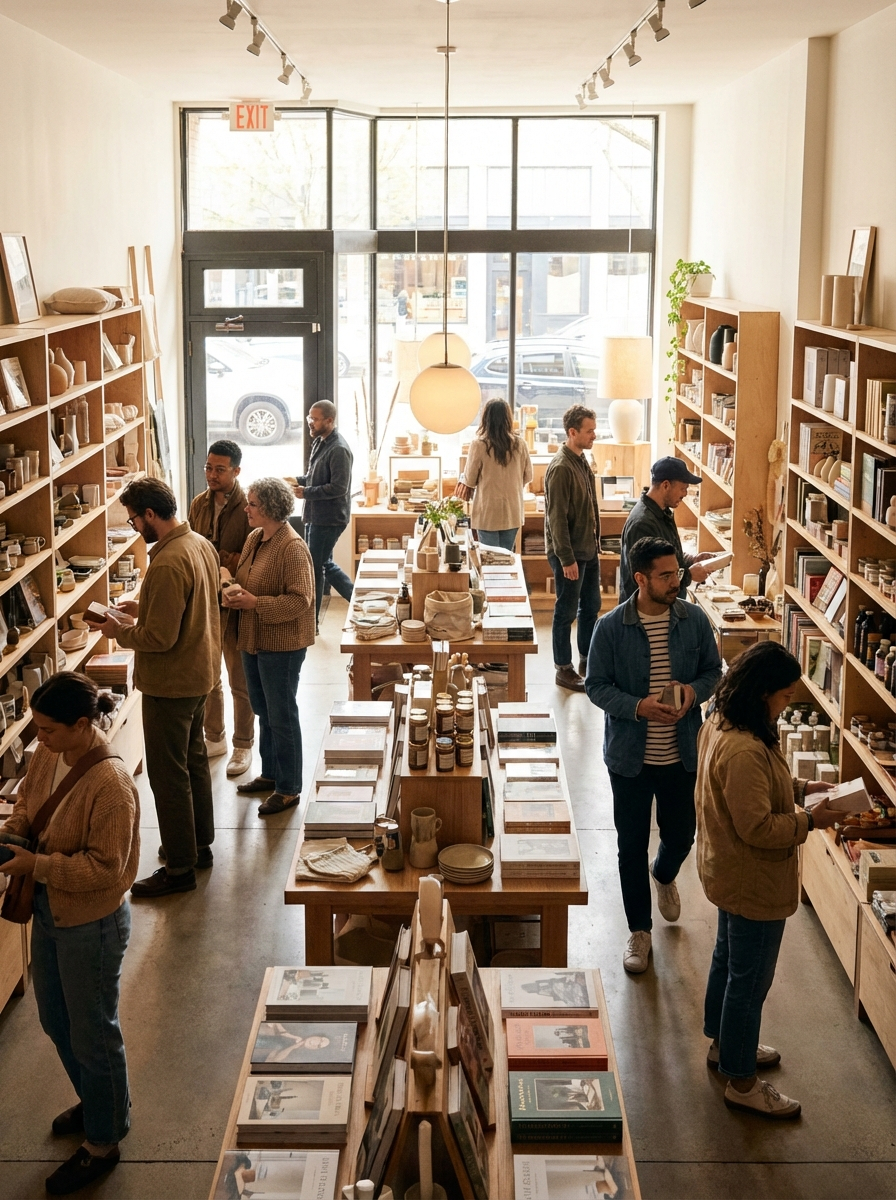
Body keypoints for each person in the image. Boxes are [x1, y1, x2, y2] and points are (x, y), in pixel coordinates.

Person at [0, 673, 139, 1195]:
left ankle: (104, 1141)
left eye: (49, 730)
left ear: (82, 726)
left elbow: (109, 870)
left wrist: (37, 864)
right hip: (51, 912)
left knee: (94, 1031)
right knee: (57, 1020)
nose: (40, 740)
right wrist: (14, 833)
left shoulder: (111, 786)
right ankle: (100, 1099)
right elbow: (27, 805)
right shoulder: (46, 753)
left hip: (93, 923)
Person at [696, 641, 838, 1118]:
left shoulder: (726, 721)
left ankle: (725, 1045)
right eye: (784, 696)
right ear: (762, 693)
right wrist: (811, 821)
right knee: (749, 980)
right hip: (752, 879)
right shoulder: (744, 749)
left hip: (727, 871)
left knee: (728, 960)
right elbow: (757, 826)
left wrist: (802, 789)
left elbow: (754, 791)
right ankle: (741, 1080)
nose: (787, 704)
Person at [585, 537, 722, 974]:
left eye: (677, 573)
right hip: (629, 758)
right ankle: (639, 932)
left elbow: (712, 672)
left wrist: (692, 692)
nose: (675, 582)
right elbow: (595, 686)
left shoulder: (695, 620)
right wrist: (638, 706)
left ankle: (662, 873)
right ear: (640, 578)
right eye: (665, 575)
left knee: (682, 834)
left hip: (681, 753)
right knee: (629, 844)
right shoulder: (610, 628)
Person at [92, 478, 221, 898]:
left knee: (167, 776)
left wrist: (119, 630)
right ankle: (199, 846)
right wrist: (140, 609)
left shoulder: (166, 561)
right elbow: (187, 608)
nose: (133, 527)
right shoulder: (197, 544)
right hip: (200, 673)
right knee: (193, 761)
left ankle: (180, 868)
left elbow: (159, 639)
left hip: (172, 683)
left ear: (150, 514)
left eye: (133, 519)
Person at [224, 477, 315, 816]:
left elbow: (300, 601)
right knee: (263, 709)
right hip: (253, 639)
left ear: (272, 508)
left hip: (282, 645)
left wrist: (254, 603)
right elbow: (246, 582)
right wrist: (233, 592)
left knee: (282, 714)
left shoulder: (292, 547)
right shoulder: (254, 538)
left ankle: (289, 787)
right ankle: (271, 773)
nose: (246, 508)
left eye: (253, 504)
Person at [187, 438, 254, 777]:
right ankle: (215, 737)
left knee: (239, 680)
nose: (212, 475)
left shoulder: (248, 506)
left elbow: (252, 559)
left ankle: (244, 745)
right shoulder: (199, 504)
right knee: (208, 676)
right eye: (208, 468)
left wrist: (217, 557)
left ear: (236, 471)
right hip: (205, 601)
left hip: (237, 604)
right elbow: (189, 548)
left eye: (220, 469)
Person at [543, 404, 601, 692]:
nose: (594, 435)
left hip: (587, 549)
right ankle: (563, 668)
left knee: (591, 606)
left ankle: (587, 660)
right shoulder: (561, 468)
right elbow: (556, 520)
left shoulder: (581, 460)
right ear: (572, 432)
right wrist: (566, 559)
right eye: (589, 431)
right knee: (566, 611)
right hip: (570, 553)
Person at [619, 456, 718, 601]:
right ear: (666, 485)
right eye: (683, 488)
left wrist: (691, 559)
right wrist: (689, 575)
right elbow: (652, 576)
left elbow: (666, 553)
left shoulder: (661, 512)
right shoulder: (643, 524)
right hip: (648, 611)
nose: (684, 494)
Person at [291, 400, 353, 630]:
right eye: (309, 417)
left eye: (315, 419)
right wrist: (294, 482)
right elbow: (313, 477)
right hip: (314, 515)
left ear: (329, 420)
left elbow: (339, 487)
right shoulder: (319, 442)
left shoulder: (339, 449)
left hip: (330, 518)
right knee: (322, 563)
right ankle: (357, 600)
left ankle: (311, 622)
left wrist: (306, 492)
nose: (310, 422)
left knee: (315, 566)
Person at [454, 398, 533, 551]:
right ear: (508, 419)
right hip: (512, 510)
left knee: (489, 562)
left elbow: (469, 479)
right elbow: (528, 476)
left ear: (486, 419)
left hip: (487, 512)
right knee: (506, 560)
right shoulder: (520, 444)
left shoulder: (479, 445)